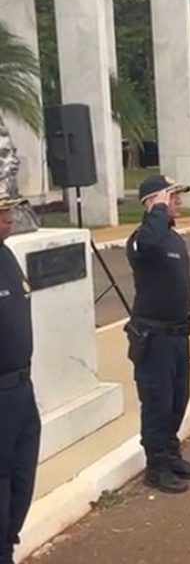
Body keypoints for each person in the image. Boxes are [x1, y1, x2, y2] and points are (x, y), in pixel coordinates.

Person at [125, 176, 190, 493]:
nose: (178, 202)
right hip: (153, 338)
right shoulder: (142, 239)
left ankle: (171, 455)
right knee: (157, 402)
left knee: (177, 398)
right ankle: (156, 466)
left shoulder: (172, 238)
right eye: (172, 197)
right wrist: (157, 209)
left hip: (176, 335)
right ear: (151, 203)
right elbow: (149, 242)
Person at [0, 193, 40, 564]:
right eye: (1, 214)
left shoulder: (6, 254)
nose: (9, 219)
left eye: (8, 211)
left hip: (21, 390)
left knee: (22, 477)